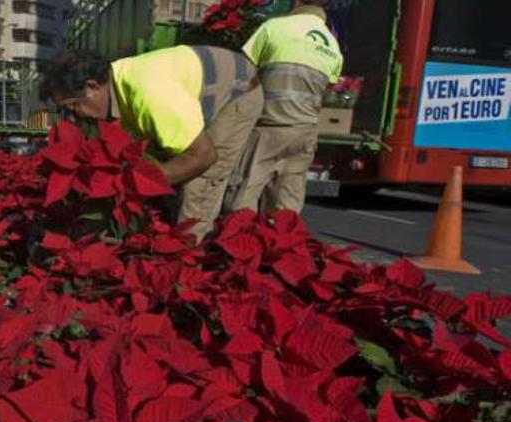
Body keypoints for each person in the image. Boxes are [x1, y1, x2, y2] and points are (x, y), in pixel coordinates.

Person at [43, 45, 263, 241]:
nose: (73, 116)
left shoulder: (149, 94)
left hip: (238, 89)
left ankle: (190, 259)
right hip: (201, 86)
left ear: (92, 87)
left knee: (199, 186)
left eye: (73, 106)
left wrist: (138, 184)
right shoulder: (118, 86)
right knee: (168, 167)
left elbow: (203, 156)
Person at [228, 0, 343, 213]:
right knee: (285, 209)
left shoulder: (274, 28)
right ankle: (278, 246)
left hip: (268, 129)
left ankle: (240, 243)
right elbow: (327, 89)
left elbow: (243, 73)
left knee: (242, 200)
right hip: (304, 135)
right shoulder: (332, 45)